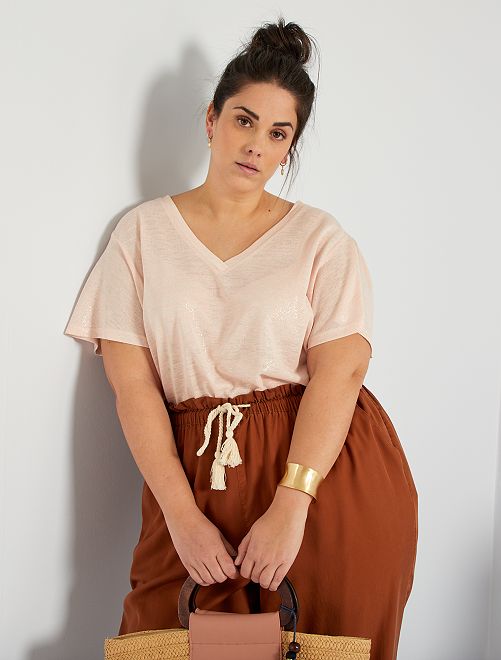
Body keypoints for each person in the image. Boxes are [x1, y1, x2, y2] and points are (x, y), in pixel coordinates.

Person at [63, 16, 418, 660]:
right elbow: (132, 385)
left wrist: (292, 503)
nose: (256, 145)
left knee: (326, 644)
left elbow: (341, 373)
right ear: (212, 119)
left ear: (290, 147)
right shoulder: (142, 234)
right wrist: (180, 514)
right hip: (194, 469)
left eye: (278, 133)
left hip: (322, 472)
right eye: (244, 120)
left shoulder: (320, 239)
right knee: (164, 638)